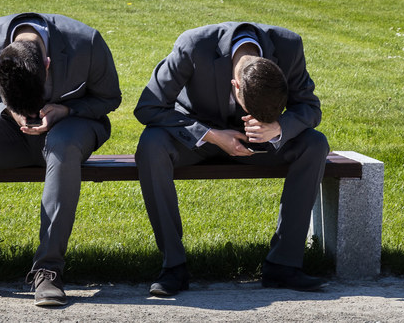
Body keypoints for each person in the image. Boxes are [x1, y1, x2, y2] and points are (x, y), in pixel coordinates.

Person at [0, 13, 121, 307]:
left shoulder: (87, 41)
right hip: (9, 125)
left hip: (72, 124)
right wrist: (9, 109)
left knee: (62, 146)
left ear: (47, 65)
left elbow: (109, 98)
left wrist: (63, 111)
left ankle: (48, 270)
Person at [134, 22, 329, 297]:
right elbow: (148, 106)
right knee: (151, 145)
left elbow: (309, 107)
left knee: (315, 143)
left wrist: (278, 127)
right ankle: (173, 266)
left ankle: (283, 265)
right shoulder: (193, 45)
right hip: (197, 139)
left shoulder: (289, 46)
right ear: (235, 86)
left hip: (261, 144)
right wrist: (211, 135)